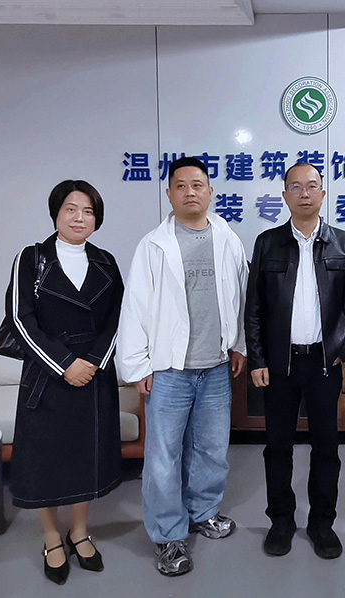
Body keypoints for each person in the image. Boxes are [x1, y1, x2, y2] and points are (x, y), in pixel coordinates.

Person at [117, 156, 248, 577]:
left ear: (210, 192)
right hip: (169, 371)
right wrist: (138, 367)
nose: (190, 192)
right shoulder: (153, 245)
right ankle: (168, 534)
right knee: (163, 457)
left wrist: (240, 344)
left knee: (211, 449)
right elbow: (135, 306)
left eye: (197, 184)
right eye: (181, 185)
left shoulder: (228, 238)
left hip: (216, 367)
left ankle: (203, 511)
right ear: (169, 194)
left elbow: (241, 297)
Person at [5, 180, 124, 585]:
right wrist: (65, 363)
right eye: (71, 209)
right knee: (46, 460)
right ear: (56, 213)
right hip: (48, 373)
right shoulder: (32, 258)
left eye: (88, 211)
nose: (79, 218)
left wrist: (92, 362)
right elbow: (21, 318)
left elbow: (118, 318)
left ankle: (79, 531)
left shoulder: (106, 261)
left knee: (85, 458)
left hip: (93, 373)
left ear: (97, 219)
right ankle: (51, 537)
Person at [245, 162, 345, 559]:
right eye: (295, 187)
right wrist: (258, 358)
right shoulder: (268, 243)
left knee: (326, 446)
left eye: (312, 186)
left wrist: (344, 349)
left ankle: (322, 524)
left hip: (324, 364)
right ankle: (281, 521)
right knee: (277, 446)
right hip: (280, 365)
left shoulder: (344, 242)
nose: (305, 194)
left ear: (323, 194)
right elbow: (255, 307)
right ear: (285, 196)